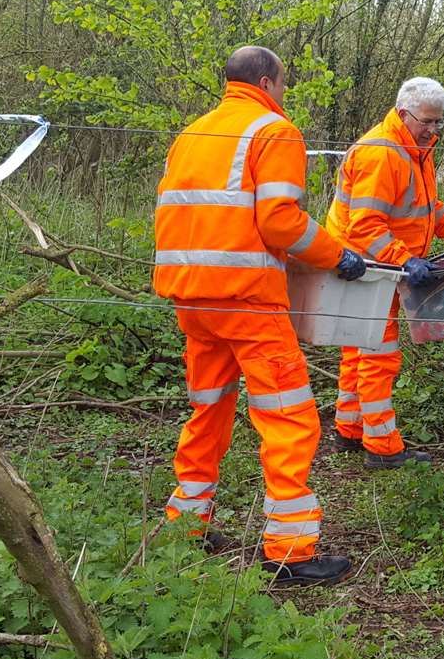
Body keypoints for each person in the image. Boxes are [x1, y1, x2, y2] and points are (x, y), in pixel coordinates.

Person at [153, 45, 367, 585]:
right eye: (284, 85)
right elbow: (280, 223)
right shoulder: (273, 131)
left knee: (210, 409)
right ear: (269, 82)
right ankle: (290, 550)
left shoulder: (195, 133)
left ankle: (187, 524)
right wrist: (336, 254)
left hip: (192, 299)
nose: (284, 95)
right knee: (289, 418)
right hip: (247, 300)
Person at [324, 77, 444, 469]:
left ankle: (349, 429)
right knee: (379, 354)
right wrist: (405, 259)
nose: (434, 130)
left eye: (439, 122)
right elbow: (365, 225)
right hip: (365, 268)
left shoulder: (415, 148)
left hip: (379, 266)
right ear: (403, 114)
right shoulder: (382, 153)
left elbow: (425, 205)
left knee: (358, 348)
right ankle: (381, 448)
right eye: (427, 121)